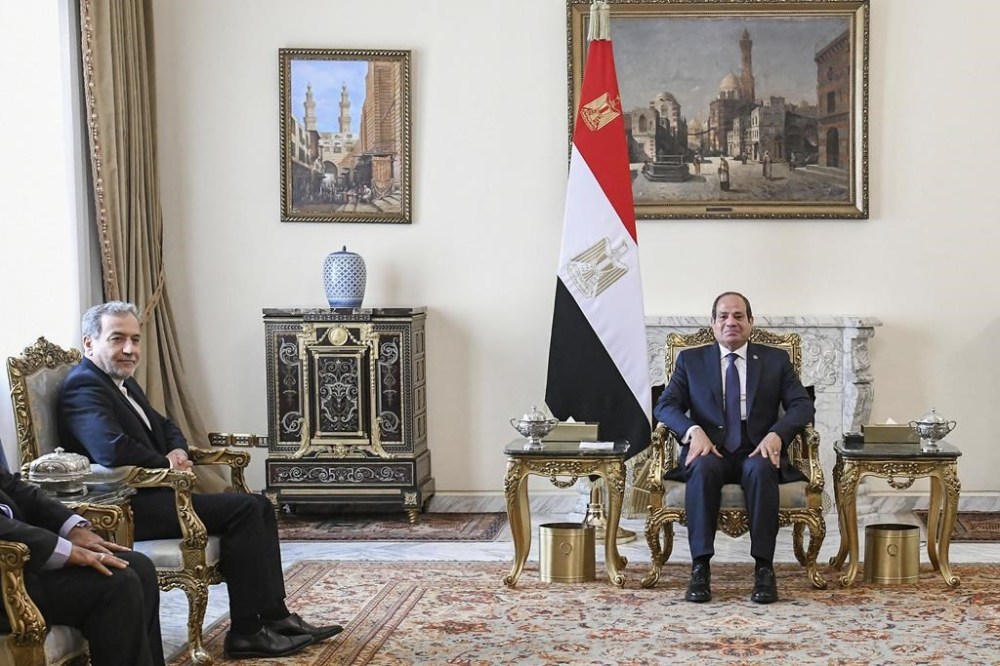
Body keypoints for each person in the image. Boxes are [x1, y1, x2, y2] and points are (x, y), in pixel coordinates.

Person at [57, 302, 343, 659]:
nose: (130, 349)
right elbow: (110, 448)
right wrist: (167, 463)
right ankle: (247, 633)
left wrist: (176, 450)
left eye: (135, 339)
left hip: (155, 496)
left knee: (257, 506)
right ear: (89, 343)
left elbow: (166, 425)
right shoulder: (83, 386)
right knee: (245, 509)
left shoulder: (119, 380)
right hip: (126, 509)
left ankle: (276, 617)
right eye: (117, 339)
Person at [653, 292, 813, 605]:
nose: (731, 322)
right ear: (713, 323)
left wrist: (777, 434)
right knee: (702, 468)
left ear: (751, 322)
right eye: (723, 316)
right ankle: (700, 567)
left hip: (756, 448)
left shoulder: (775, 360)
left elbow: (802, 404)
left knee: (762, 468)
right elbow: (665, 405)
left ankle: (764, 568)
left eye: (739, 316)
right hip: (710, 450)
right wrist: (693, 431)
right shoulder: (691, 361)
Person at [0, 461, 163, 665]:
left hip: (25, 564)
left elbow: (13, 487)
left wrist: (72, 528)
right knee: (117, 583)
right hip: (6, 581)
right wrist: (65, 550)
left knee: (138, 565)